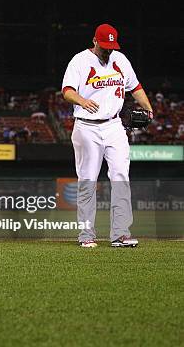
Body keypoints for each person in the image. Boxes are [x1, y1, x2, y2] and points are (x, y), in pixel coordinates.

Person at [62, 23, 153, 248]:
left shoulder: (120, 60)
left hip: (114, 125)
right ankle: (86, 235)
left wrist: (149, 108)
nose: (108, 50)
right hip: (86, 127)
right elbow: (67, 91)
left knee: (121, 176)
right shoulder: (79, 61)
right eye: (104, 46)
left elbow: (136, 87)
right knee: (88, 181)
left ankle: (120, 234)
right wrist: (82, 100)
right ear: (94, 41)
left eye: (111, 46)